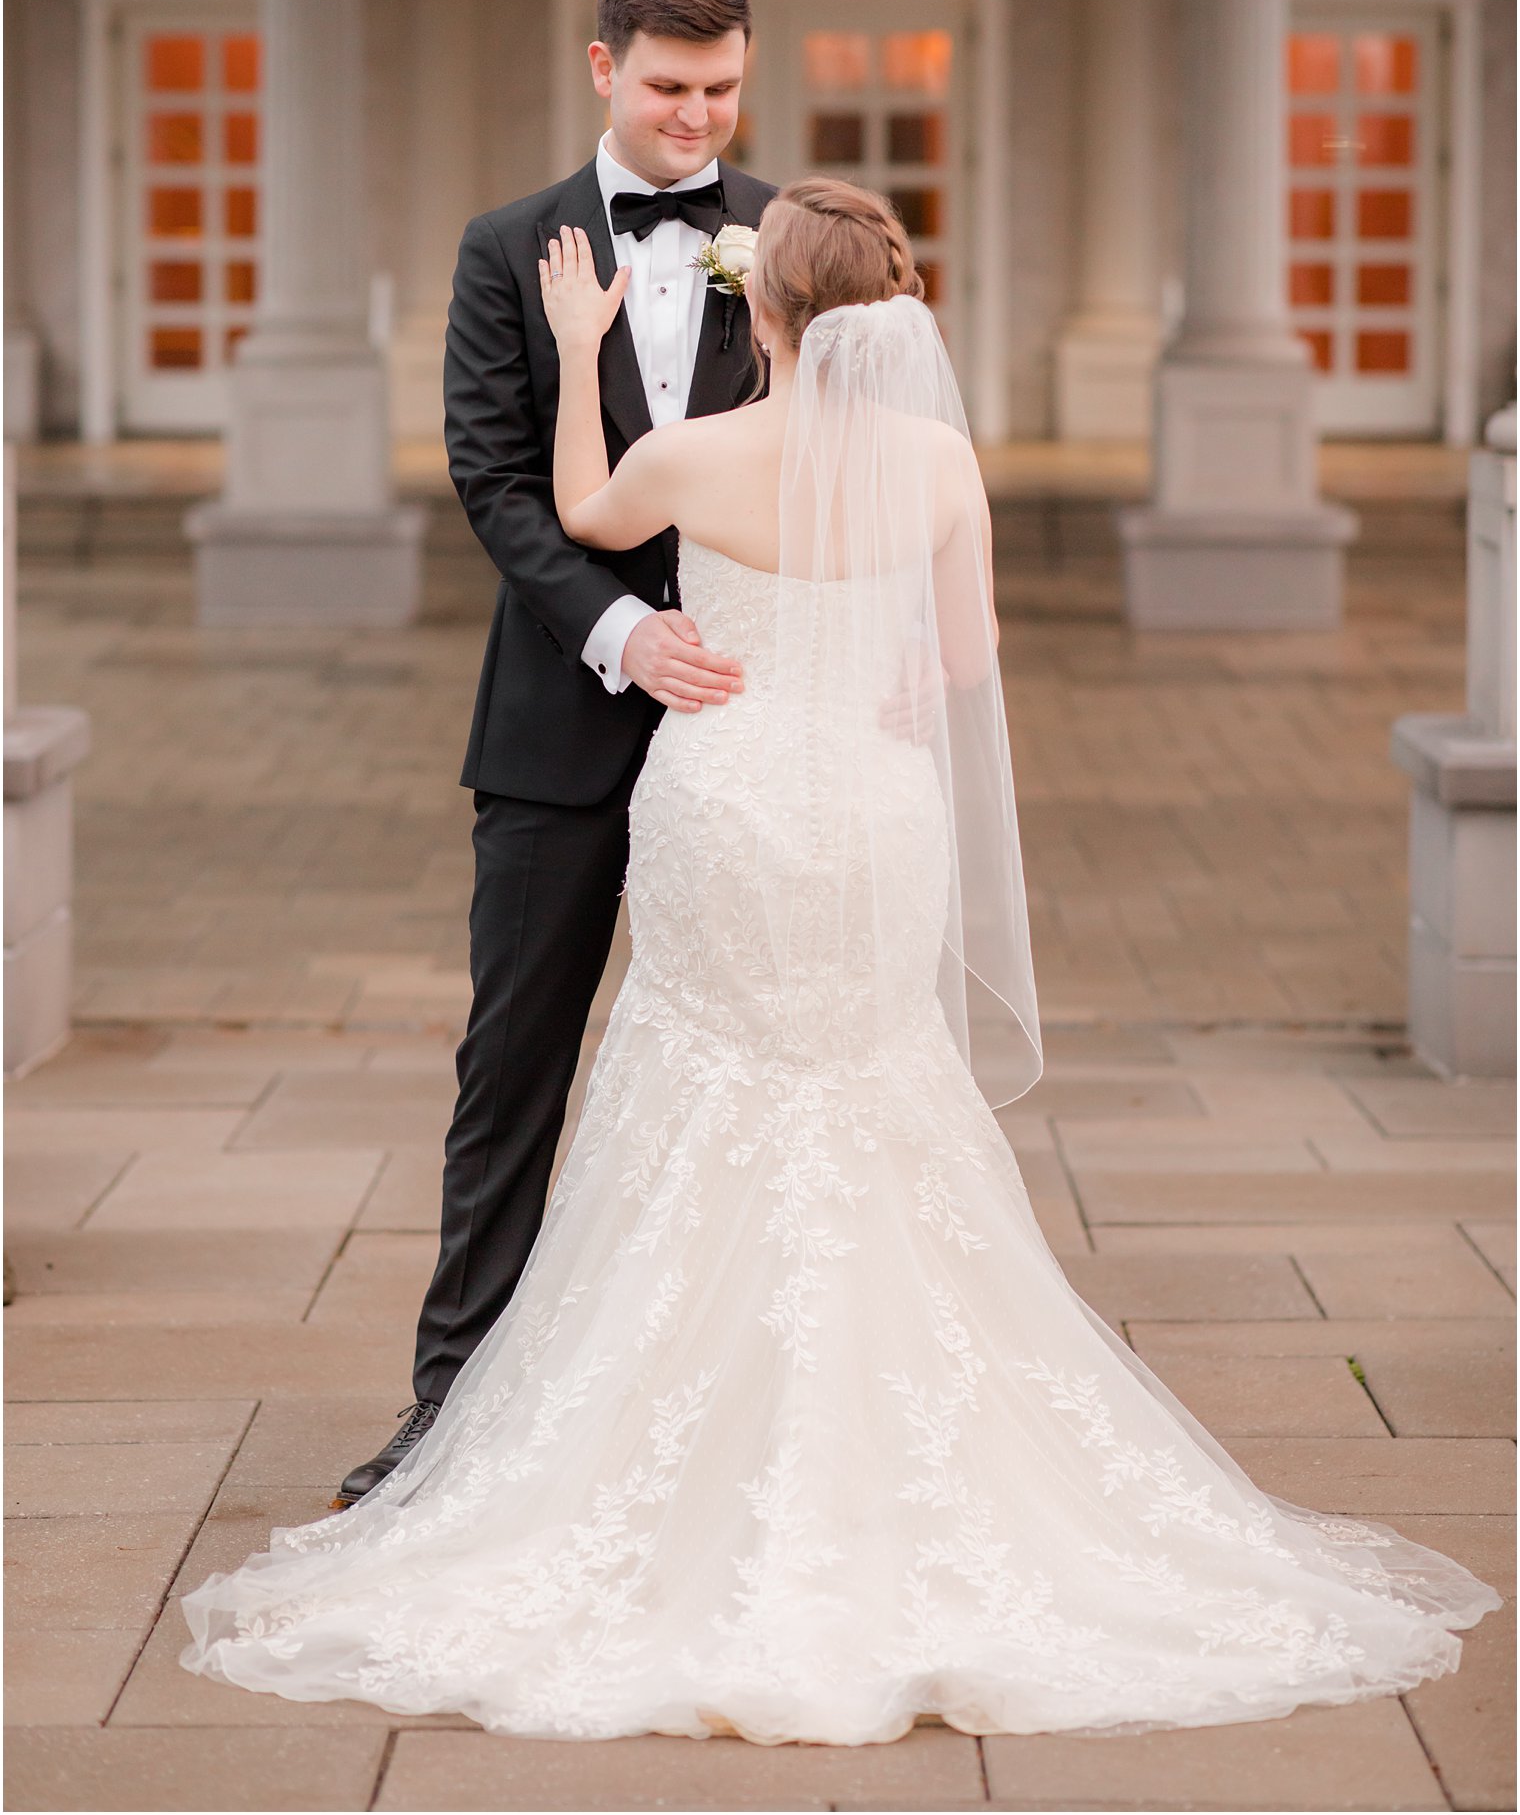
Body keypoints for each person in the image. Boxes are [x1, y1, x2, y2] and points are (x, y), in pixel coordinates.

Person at [183, 180, 1498, 1744]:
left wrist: (584, 338)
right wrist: (880, 680)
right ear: (895, 311)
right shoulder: (940, 463)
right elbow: (959, 662)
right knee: (875, 1093)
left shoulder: (694, 453)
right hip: (875, 817)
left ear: (768, 311)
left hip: (725, 797)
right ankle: (910, 1471)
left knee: (691, 1083)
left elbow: (582, 507)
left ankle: (644, 1465)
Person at [335, 0, 775, 1506]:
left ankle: (727, 1427)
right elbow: (493, 478)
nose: (696, 120)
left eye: (722, 90)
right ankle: (451, 1416)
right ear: (603, 66)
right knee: (514, 1062)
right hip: (559, 726)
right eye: (668, 88)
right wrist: (616, 630)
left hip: (750, 728)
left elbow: (853, 451)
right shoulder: (503, 246)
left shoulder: (785, 235)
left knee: (751, 1072)